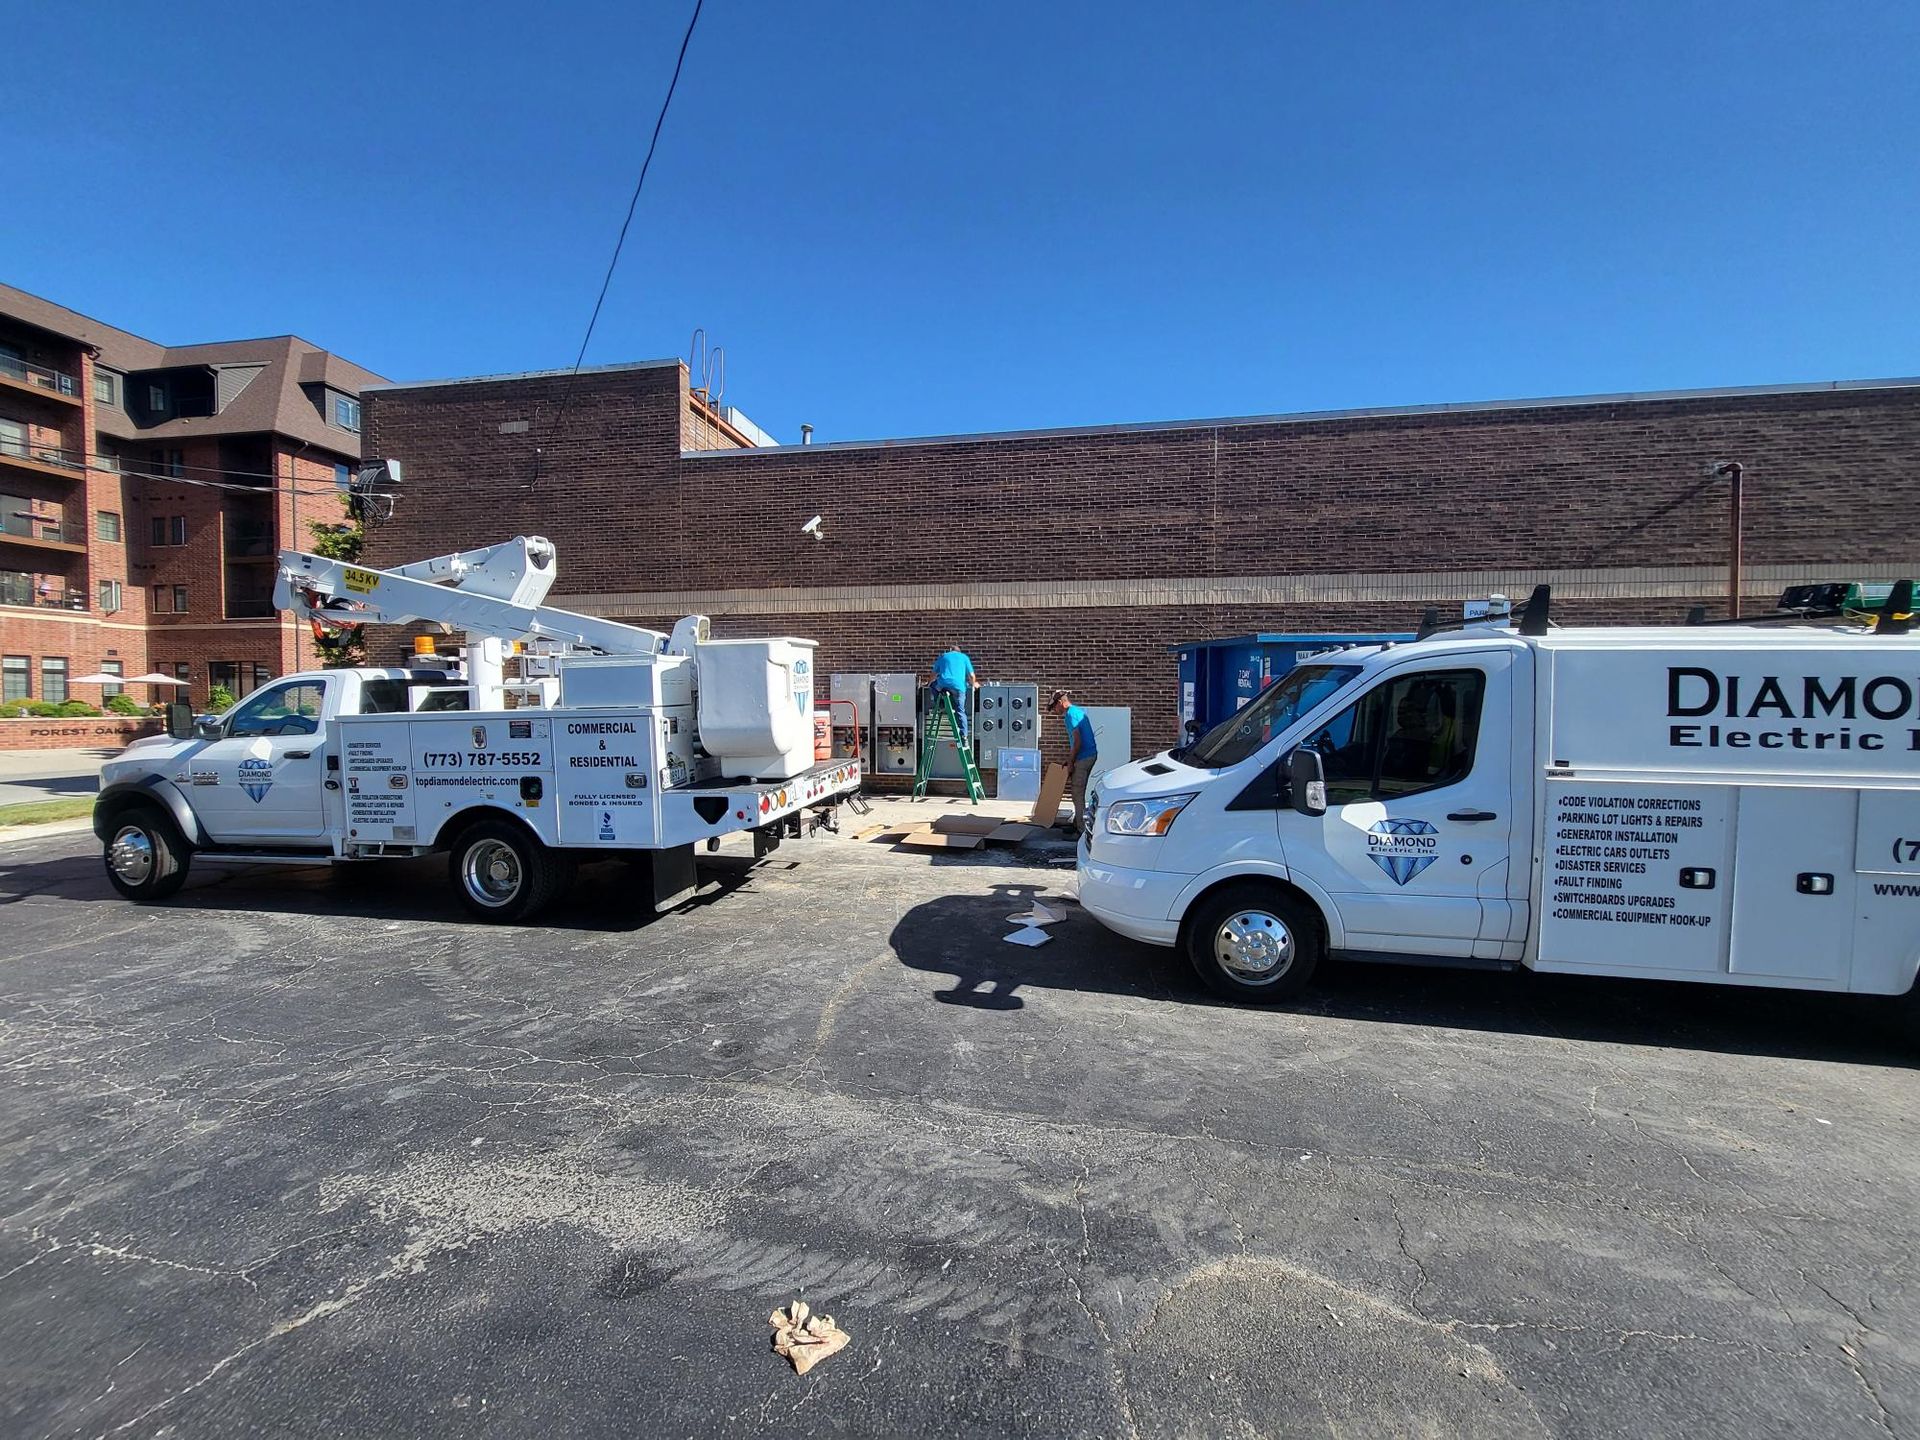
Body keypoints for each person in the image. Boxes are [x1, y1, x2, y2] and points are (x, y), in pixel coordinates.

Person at [1048, 689, 1098, 832]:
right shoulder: (1077, 711)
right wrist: (1069, 759)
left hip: (1084, 757)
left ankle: (1082, 831)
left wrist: (1071, 763)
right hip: (1089, 755)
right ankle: (1077, 823)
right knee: (1079, 792)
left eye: (1054, 707)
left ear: (1060, 702)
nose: (1054, 711)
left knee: (1077, 794)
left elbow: (1077, 742)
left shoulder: (1070, 715)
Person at [930, 646, 979, 738]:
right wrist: (974, 684)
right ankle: (964, 736)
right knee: (960, 710)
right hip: (959, 687)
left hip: (943, 685)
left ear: (950, 651)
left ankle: (940, 705)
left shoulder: (943, 656)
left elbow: (933, 674)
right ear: (959, 651)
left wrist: (928, 683)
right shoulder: (964, 657)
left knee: (933, 685)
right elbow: (972, 676)